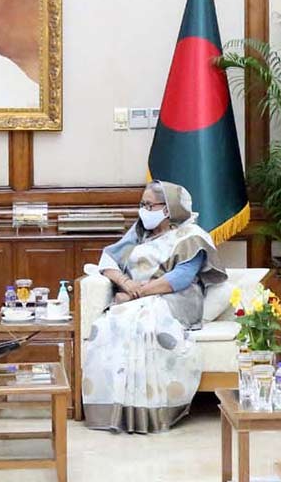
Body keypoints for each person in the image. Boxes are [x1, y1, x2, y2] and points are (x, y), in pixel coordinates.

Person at [81, 180, 227, 433]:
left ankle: (154, 411)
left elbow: (179, 279)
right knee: (109, 325)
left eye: (150, 205)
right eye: (142, 204)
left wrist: (136, 295)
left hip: (176, 299)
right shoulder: (139, 233)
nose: (144, 210)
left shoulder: (191, 237)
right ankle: (113, 409)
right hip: (135, 295)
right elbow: (107, 261)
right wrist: (125, 282)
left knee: (144, 321)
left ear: (168, 209)